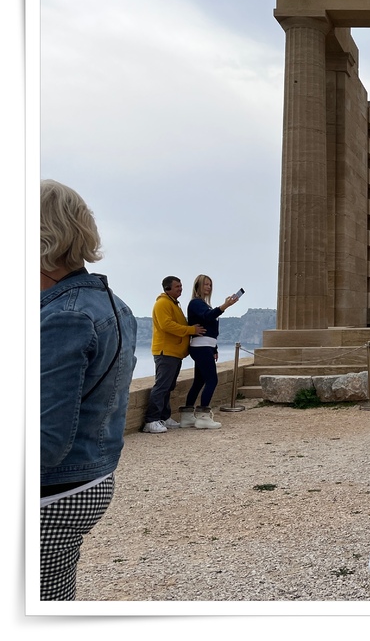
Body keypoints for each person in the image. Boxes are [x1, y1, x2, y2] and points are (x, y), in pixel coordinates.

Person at [40, 179, 138, 600]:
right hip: (93, 479)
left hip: (53, 491)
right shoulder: (115, 305)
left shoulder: (63, 316)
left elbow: (45, 442)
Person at [144, 276, 205, 433]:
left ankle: (164, 417)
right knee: (162, 386)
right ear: (167, 288)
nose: (181, 288)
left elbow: (178, 324)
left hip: (175, 353)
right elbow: (167, 325)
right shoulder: (162, 303)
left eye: (181, 285)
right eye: (177, 286)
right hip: (166, 352)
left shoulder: (174, 304)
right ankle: (151, 420)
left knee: (168, 386)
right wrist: (191, 330)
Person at [182, 275, 239, 429]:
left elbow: (211, 328)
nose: (208, 287)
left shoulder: (204, 304)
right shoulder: (196, 303)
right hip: (200, 347)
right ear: (197, 287)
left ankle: (187, 416)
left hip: (205, 346)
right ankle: (203, 417)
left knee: (199, 381)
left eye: (210, 284)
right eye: (205, 284)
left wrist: (214, 348)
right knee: (212, 380)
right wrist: (225, 306)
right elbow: (208, 316)